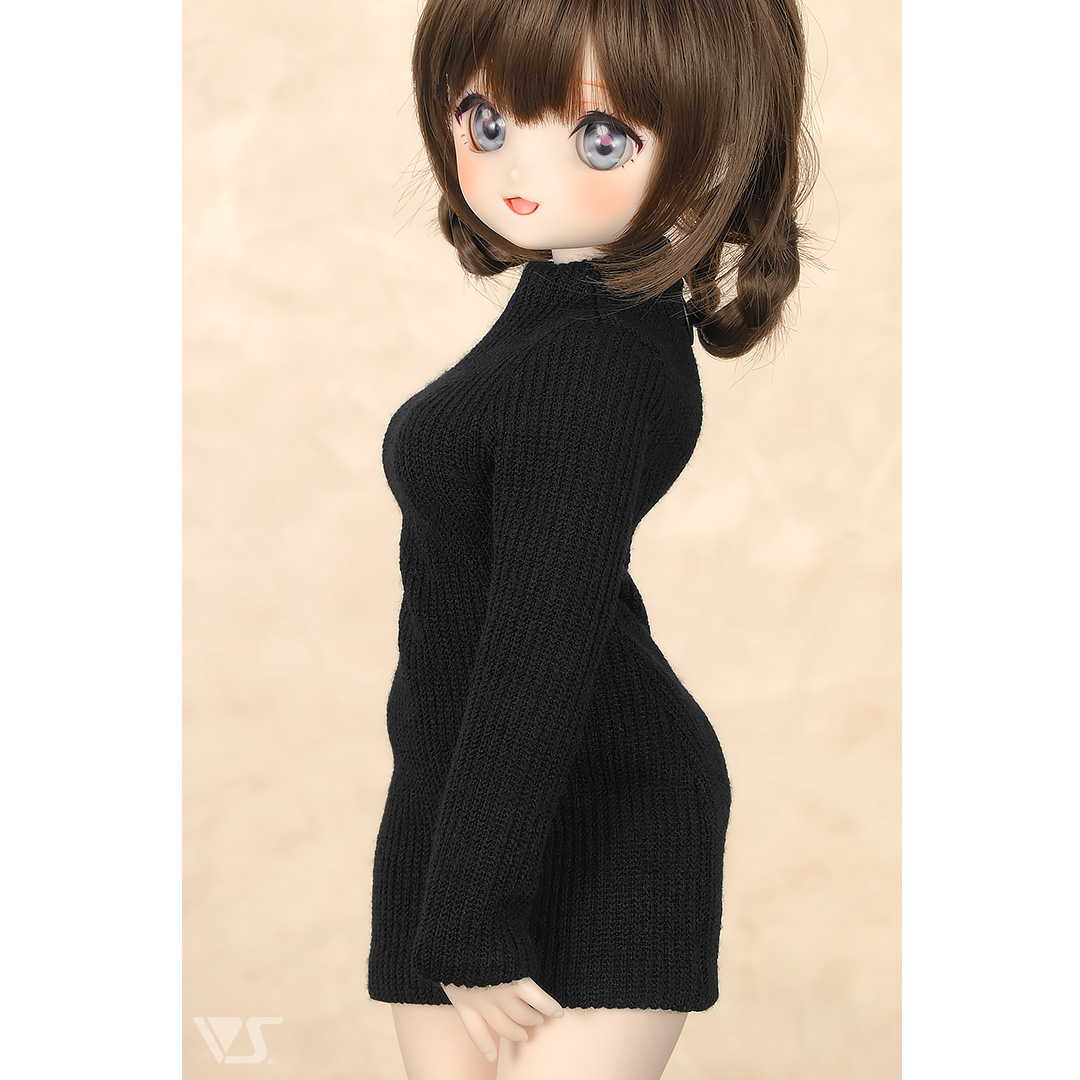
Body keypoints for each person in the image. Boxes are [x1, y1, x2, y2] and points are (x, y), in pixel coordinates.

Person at [367, 1, 816, 1077]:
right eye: (486, 120)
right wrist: (452, 885)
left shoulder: (593, 359)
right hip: (462, 820)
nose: (521, 168)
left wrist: (472, 913)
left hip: (591, 817)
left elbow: (541, 641)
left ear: (715, 147)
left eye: (599, 136)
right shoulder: (564, 317)